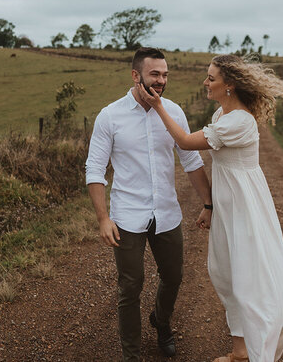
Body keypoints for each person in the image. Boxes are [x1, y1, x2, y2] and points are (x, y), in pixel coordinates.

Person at [136, 54, 283, 362]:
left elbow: (183, 141)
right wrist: (209, 206)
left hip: (245, 205)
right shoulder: (223, 115)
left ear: (230, 85)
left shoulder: (239, 121)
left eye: (211, 78)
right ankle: (239, 351)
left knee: (248, 276)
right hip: (227, 203)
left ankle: (257, 349)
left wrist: (157, 106)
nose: (205, 82)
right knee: (225, 273)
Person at [86, 47, 213, 361]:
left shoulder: (173, 112)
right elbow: (94, 169)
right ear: (136, 75)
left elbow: (191, 160)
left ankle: (161, 320)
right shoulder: (110, 116)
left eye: (165, 74)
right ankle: (131, 354)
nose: (161, 81)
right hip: (127, 216)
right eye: (155, 74)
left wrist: (208, 203)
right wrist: (103, 218)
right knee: (130, 287)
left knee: (173, 277)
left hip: (167, 213)